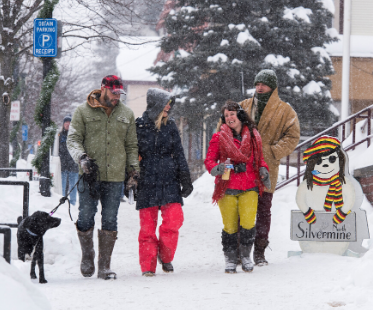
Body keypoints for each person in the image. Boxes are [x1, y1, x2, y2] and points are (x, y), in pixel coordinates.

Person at [67, 75, 140, 280]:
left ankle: (104, 265)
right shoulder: (82, 111)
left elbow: (131, 145)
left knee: (110, 218)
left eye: (119, 94)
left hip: (115, 175)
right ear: (103, 89)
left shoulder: (126, 113)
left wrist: (133, 171)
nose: (117, 97)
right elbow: (73, 139)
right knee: (85, 215)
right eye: (114, 93)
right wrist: (81, 157)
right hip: (89, 174)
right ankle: (87, 255)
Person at [239, 69, 300, 265]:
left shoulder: (285, 111)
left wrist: (272, 152)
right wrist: (235, 148)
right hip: (244, 166)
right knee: (243, 208)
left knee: (264, 209)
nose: (259, 87)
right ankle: (242, 249)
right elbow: (224, 126)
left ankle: (259, 251)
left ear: (272, 86)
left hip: (268, 166)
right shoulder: (243, 106)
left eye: (263, 84)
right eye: (257, 83)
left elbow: (293, 136)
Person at [205, 102, 271, 273]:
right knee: (230, 226)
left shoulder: (254, 136)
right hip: (227, 187)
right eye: (226, 116)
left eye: (232, 114)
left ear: (240, 115)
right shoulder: (218, 137)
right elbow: (209, 160)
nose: (229, 118)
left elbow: (260, 159)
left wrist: (264, 169)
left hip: (250, 186)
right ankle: (230, 258)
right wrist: (216, 168)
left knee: (248, 224)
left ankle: (246, 256)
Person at [135, 88, 193, 277]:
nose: (169, 107)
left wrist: (185, 177)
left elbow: (179, 153)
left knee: (174, 220)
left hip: (170, 180)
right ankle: (148, 266)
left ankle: (166, 256)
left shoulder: (171, 126)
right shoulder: (139, 126)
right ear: (155, 105)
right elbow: (131, 153)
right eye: (166, 103)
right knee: (147, 228)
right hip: (146, 181)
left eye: (170, 103)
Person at [59, 115, 78, 205]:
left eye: (69, 122)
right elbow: (58, 150)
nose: (67, 124)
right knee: (62, 185)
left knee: (73, 185)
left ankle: (73, 201)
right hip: (63, 164)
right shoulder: (60, 135)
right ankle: (62, 200)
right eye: (66, 122)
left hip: (73, 165)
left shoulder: (75, 135)